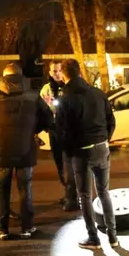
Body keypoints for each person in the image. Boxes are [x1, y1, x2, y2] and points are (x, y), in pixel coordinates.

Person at [0, 63, 53, 240]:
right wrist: (33, 129)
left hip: (1, 147)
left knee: (1, 189)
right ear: (20, 75)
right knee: (25, 189)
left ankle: (2, 229)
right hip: (25, 147)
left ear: (4, 76)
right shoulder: (33, 94)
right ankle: (27, 227)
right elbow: (48, 118)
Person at [55, 59, 118, 250]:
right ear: (80, 72)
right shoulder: (98, 93)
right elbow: (111, 120)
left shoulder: (64, 98)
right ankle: (113, 237)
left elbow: (61, 130)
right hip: (101, 147)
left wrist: (69, 150)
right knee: (104, 192)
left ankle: (93, 238)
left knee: (84, 195)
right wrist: (104, 138)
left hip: (80, 152)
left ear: (65, 75)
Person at [39, 60, 78, 211]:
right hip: (55, 131)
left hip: (69, 130)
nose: (57, 73)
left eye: (59, 70)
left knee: (72, 164)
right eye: (54, 71)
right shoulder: (46, 90)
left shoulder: (70, 87)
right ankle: (68, 192)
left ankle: (73, 195)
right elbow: (43, 111)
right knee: (60, 163)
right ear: (49, 73)